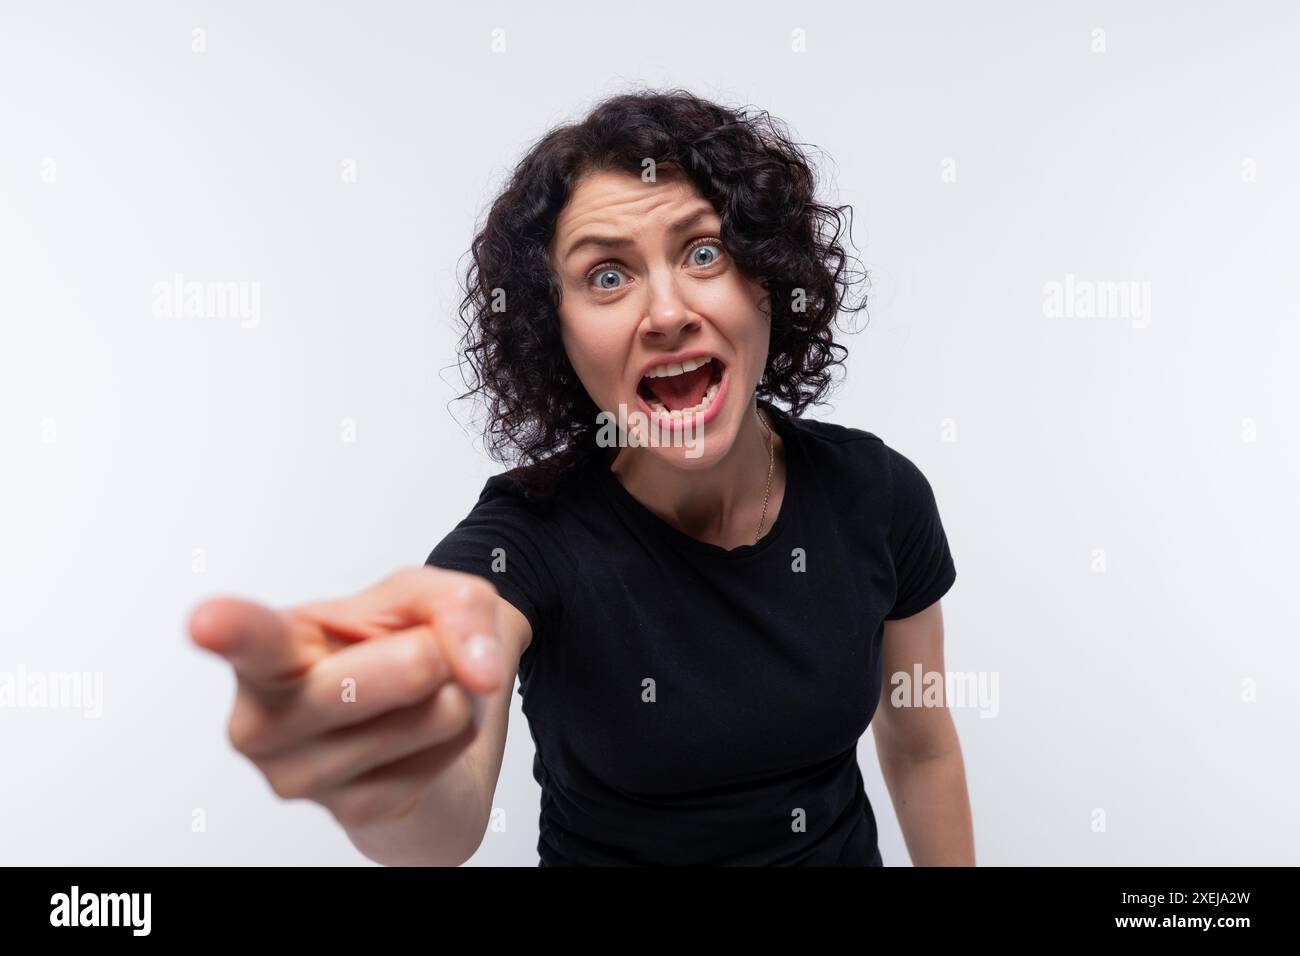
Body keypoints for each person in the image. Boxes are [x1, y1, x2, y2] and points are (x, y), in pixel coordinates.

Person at [189, 88, 975, 867]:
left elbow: (922, 744)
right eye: (606, 276)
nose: (666, 313)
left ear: (766, 277)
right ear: (553, 330)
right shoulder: (523, 544)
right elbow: (444, 819)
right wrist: (394, 775)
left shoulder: (877, 494)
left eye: (704, 253)